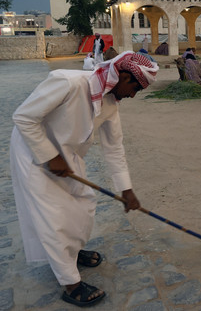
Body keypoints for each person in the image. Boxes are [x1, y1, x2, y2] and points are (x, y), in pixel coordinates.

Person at [10, 51, 159, 307]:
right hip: (33, 153)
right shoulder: (68, 82)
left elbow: (114, 147)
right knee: (54, 218)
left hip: (68, 156)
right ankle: (71, 284)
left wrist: (126, 189)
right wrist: (49, 155)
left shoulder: (111, 103)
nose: (133, 95)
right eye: (134, 88)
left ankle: (73, 252)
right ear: (122, 76)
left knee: (82, 206)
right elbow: (24, 117)